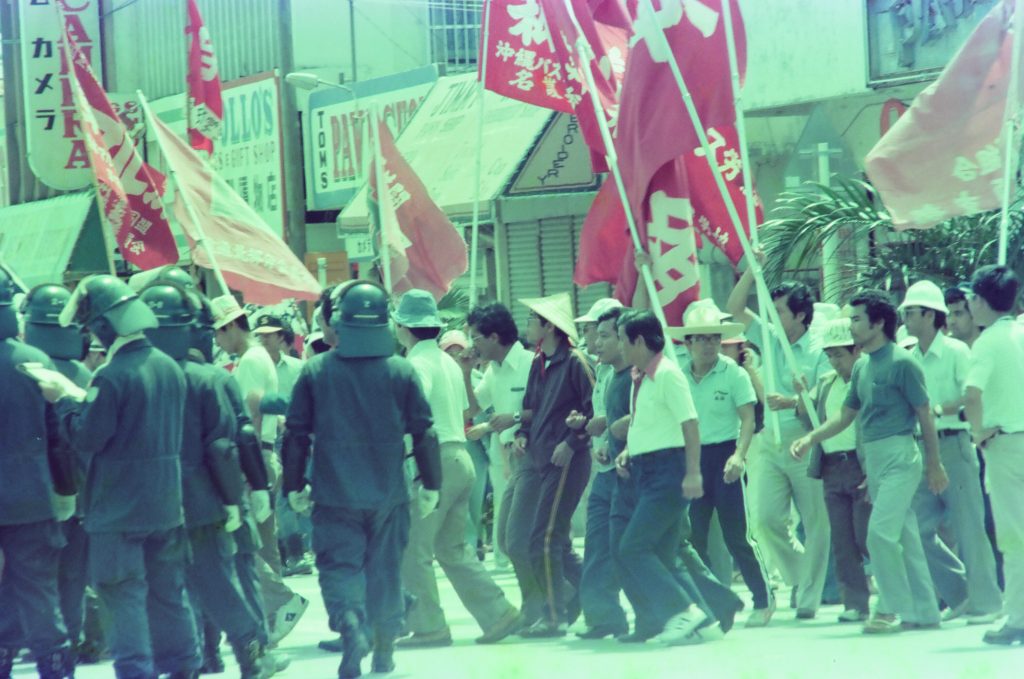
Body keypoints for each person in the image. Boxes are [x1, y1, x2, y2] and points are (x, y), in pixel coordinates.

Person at [282, 281, 442, 678]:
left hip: (334, 494)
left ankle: (351, 623)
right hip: (390, 494)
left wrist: (294, 486)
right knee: (385, 571)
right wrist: (431, 483)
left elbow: (295, 434)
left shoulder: (316, 371)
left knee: (339, 567)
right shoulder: (402, 371)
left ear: (339, 323)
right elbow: (424, 431)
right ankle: (384, 651)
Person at [44, 275, 202, 677]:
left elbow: (87, 437)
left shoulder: (111, 376)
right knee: (168, 593)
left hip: (118, 510)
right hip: (165, 504)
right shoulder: (168, 367)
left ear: (102, 325)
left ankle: (136, 671)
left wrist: (63, 401)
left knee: (122, 594)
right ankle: (184, 666)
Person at [140, 284, 277, 678]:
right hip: (206, 500)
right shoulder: (210, 378)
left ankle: (192, 660)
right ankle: (251, 653)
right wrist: (241, 495)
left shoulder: (131, 376)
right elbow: (229, 445)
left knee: (167, 589)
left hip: (152, 503)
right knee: (218, 582)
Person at [792, 290, 948, 634]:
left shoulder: (903, 363)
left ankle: (889, 607)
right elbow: (846, 415)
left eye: (857, 319)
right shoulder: (862, 365)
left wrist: (934, 464)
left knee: (878, 534)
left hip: (901, 457)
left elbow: (924, 413)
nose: (851, 325)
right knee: (905, 537)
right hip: (874, 459)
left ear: (878, 323)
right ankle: (925, 611)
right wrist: (811, 438)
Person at [391, 290, 522, 647]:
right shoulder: (446, 362)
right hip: (460, 457)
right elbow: (465, 410)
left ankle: (429, 626)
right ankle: (498, 613)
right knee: (452, 548)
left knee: (414, 549)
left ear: (402, 327)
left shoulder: (416, 364)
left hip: (433, 461)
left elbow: (414, 411)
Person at [725, 258, 832, 619]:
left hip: (806, 440)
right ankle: (802, 576)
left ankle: (809, 597)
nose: (773, 316)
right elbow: (735, 309)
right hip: (770, 440)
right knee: (766, 520)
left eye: (780, 311)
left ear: (800, 315)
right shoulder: (769, 338)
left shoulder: (818, 349)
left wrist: (792, 401)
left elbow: (823, 396)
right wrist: (751, 271)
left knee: (816, 522)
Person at [614, 309, 720, 645]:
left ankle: (682, 612)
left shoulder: (668, 374)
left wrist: (693, 472)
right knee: (662, 553)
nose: (619, 346)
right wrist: (630, 450)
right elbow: (651, 424)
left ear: (639, 341)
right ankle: (705, 622)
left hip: (668, 472)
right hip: (647, 470)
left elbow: (690, 424)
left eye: (622, 339)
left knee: (632, 547)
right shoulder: (641, 377)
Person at [900, 281, 1002, 624]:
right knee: (915, 529)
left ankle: (987, 603)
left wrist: (940, 409)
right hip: (921, 448)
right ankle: (959, 594)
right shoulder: (910, 357)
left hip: (954, 445)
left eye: (911, 311)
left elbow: (972, 395)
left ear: (930, 315)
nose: (906, 317)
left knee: (969, 527)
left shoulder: (957, 352)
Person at [211, 295, 308, 646]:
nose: (217, 341)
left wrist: (245, 468)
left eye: (218, 333)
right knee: (265, 545)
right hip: (265, 455)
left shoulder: (250, 360)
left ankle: (279, 602)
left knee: (243, 544)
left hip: (253, 456)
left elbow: (251, 412)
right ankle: (270, 621)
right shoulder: (257, 357)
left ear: (231, 327)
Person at [674, 301, 774, 627]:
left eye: (714, 338)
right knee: (693, 536)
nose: (709, 345)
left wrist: (739, 456)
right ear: (688, 343)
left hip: (726, 456)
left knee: (738, 536)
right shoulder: (677, 375)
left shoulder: (734, 373)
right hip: (692, 460)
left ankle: (764, 599)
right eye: (701, 338)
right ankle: (710, 602)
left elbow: (748, 418)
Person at [0, 268, 77, 679]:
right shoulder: (36, 362)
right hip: (32, 497)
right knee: (38, 590)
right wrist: (65, 490)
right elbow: (58, 437)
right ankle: (55, 668)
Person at [506, 293, 594, 637]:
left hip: (566, 461)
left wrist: (571, 443)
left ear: (549, 326)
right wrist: (522, 433)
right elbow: (532, 407)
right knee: (556, 541)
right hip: (543, 459)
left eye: (532, 320)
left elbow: (593, 410)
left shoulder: (576, 362)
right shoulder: (539, 363)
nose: (527, 325)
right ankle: (597, 594)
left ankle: (554, 616)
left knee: (542, 539)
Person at [20, 284, 96, 660]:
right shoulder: (83, 374)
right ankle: (70, 640)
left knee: (34, 576)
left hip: (35, 493)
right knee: (73, 575)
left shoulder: (24, 368)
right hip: (79, 491)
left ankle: (36, 642)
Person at [962, 265, 1024, 645]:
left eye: (972, 297)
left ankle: (1017, 618)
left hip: (1006, 445)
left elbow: (972, 395)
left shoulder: (986, 343)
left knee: (1014, 537)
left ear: (982, 301)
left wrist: (977, 432)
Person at [800, 317, 871, 622]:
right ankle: (855, 604)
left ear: (856, 349)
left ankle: (893, 594)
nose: (834, 361)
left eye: (838, 354)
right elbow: (807, 416)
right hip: (831, 466)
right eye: (829, 355)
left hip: (860, 464)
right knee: (842, 541)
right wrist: (801, 394)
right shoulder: (827, 382)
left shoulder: (867, 378)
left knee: (866, 536)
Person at [463, 302, 534, 572]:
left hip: (531, 454)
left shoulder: (531, 363)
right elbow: (471, 409)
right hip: (505, 455)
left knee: (524, 534)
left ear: (493, 337)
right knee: (508, 537)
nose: (472, 345)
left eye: (475, 338)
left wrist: (514, 419)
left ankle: (559, 589)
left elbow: (547, 410)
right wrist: (466, 372)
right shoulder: (493, 370)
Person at [576, 304, 631, 639]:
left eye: (603, 335)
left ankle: (702, 606)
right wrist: (600, 435)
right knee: (597, 546)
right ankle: (603, 617)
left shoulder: (639, 376)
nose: (595, 342)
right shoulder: (605, 373)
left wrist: (609, 428)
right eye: (593, 333)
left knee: (651, 550)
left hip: (633, 475)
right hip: (607, 471)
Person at [253, 313, 312, 578]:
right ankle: (291, 554)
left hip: (296, 438)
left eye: (269, 334)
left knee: (295, 493)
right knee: (278, 498)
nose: (264, 339)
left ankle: (297, 552)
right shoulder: (254, 366)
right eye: (260, 335)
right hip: (267, 439)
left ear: (281, 337)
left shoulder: (298, 368)